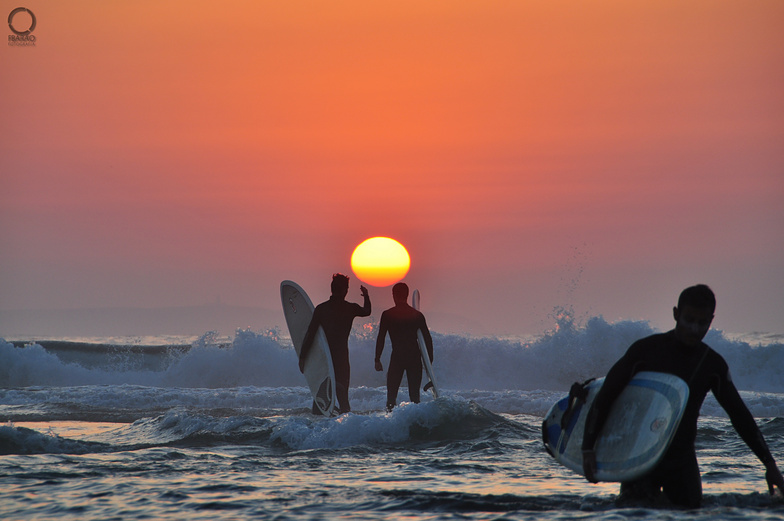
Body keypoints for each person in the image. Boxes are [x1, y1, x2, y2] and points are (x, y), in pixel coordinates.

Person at [581, 284, 784, 508]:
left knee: (691, 511)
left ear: (711, 321)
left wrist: (770, 464)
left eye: (702, 323)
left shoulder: (711, 364)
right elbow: (607, 396)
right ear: (676, 314)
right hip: (641, 456)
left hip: (681, 459)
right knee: (635, 512)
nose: (695, 329)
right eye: (689, 320)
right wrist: (588, 449)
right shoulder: (646, 351)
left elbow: (739, 414)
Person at [300, 273, 370, 414]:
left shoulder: (321, 309)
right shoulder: (350, 308)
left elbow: (310, 334)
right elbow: (367, 311)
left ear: (332, 289)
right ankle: (344, 430)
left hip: (324, 358)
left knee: (320, 398)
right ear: (345, 290)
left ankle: (315, 429)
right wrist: (366, 296)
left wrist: (303, 357)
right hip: (341, 358)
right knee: (343, 396)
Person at [374, 282, 434, 411]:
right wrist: (429, 362)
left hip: (397, 358)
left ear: (393, 295)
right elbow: (427, 339)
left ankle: (391, 424)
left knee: (391, 398)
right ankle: (415, 424)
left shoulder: (387, 314)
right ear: (407, 295)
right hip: (414, 358)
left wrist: (377, 359)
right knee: (415, 397)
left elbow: (381, 337)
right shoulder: (417, 315)